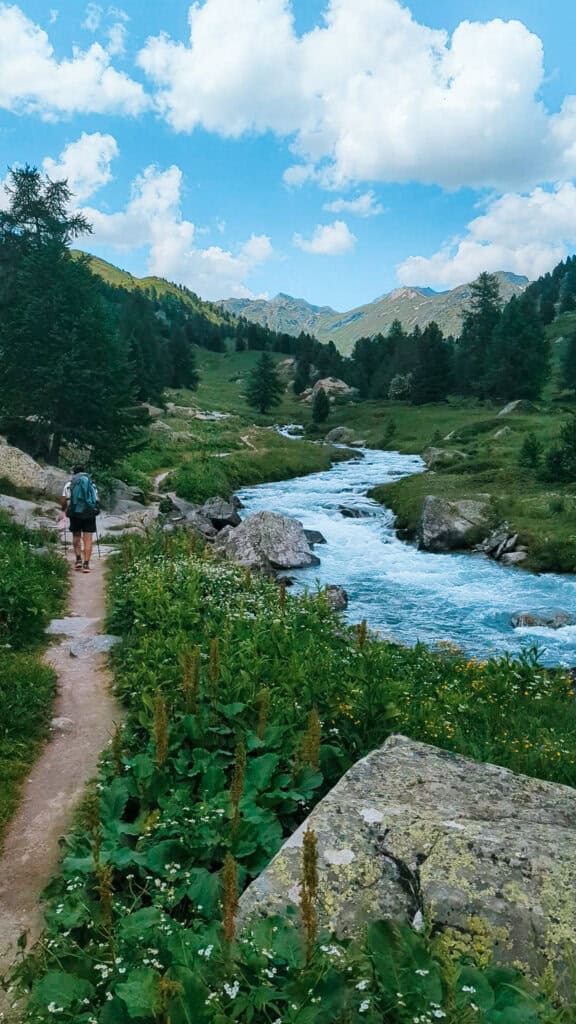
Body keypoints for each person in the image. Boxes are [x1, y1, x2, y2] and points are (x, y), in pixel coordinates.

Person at [61, 464, 99, 573]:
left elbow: (64, 500)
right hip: (89, 513)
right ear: (84, 471)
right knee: (88, 539)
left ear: (73, 472)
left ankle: (78, 560)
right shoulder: (91, 483)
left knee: (76, 536)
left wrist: (63, 510)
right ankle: (86, 565)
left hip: (75, 513)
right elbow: (96, 499)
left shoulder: (69, 484)